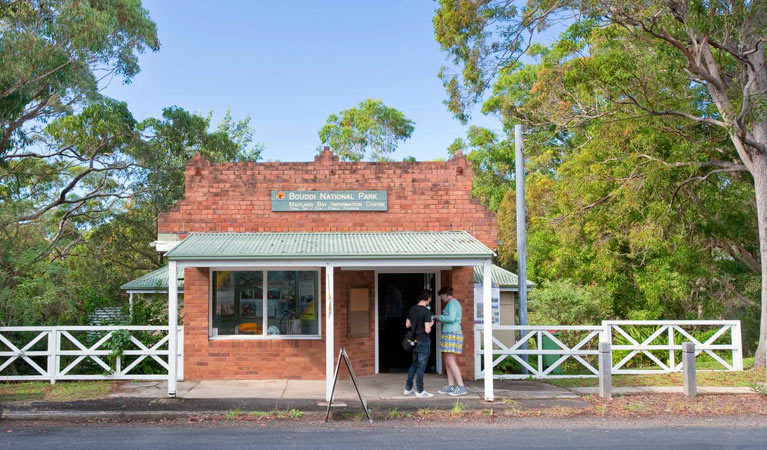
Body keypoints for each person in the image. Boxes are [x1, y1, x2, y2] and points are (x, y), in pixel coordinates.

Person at [434, 286, 466, 396]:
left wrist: (438, 317)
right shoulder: (453, 303)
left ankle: (461, 387)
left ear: (445, 294)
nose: (441, 299)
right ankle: (450, 385)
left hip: (452, 333)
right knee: (447, 360)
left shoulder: (452, 303)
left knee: (451, 360)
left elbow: (451, 318)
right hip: (450, 333)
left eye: (441, 296)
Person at [404, 290, 434, 398]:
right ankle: (420, 391)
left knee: (414, 365)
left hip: (414, 341)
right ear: (428, 298)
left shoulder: (412, 309)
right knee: (421, 367)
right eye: (430, 298)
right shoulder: (426, 312)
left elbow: (407, 324)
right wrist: (431, 322)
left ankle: (408, 388)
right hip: (423, 340)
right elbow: (427, 330)